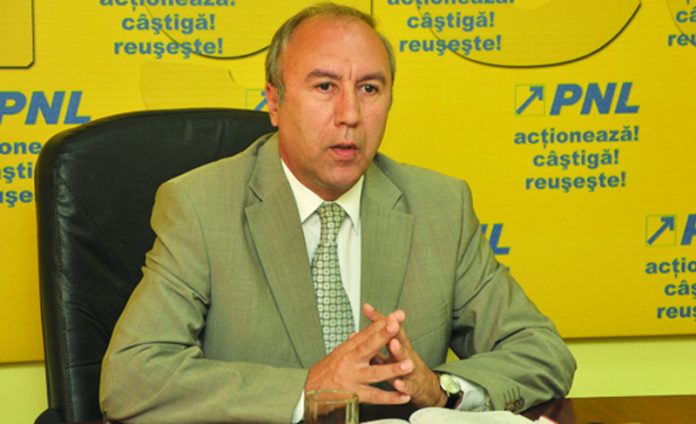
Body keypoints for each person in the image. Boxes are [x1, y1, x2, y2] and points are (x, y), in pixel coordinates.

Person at [100, 3, 576, 423]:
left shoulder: (440, 206)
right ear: (274, 101)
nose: (350, 114)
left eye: (369, 88)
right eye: (325, 86)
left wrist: (441, 389)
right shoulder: (202, 206)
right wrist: (309, 388)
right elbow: (132, 378)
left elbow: (542, 353)